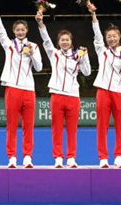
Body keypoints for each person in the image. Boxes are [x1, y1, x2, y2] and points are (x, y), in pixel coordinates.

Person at [0, 0, 43, 168]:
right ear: (13, 31)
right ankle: (12, 157)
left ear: (27, 30)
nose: (20, 32)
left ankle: (27, 157)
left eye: (23, 29)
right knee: (11, 125)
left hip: (28, 89)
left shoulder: (34, 46)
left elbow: (39, 68)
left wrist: (32, 55)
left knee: (28, 126)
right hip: (12, 88)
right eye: (17, 30)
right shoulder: (9, 45)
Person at [35, 10, 91, 168]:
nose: (65, 42)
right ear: (58, 42)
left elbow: (87, 72)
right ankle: (58, 157)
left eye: (67, 40)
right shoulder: (54, 54)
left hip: (73, 95)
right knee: (57, 129)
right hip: (57, 95)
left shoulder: (77, 55)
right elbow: (46, 40)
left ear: (71, 42)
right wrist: (40, 23)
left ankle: (71, 157)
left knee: (72, 129)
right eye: (62, 40)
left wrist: (85, 56)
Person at [89, 0, 121, 168]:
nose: (112, 38)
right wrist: (93, 14)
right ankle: (103, 158)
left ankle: (119, 156)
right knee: (102, 126)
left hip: (119, 92)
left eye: (114, 36)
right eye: (109, 36)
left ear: (119, 37)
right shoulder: (102, 51)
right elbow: (97, 35)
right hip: (103, 91)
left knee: (120, 126)